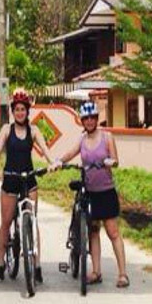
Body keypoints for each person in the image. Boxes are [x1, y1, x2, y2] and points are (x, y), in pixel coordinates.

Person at [52, 101, 129, 288]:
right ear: (82, 121)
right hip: (90, 191)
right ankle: (95, 271)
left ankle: (122, 274)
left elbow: (116, 160)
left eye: (92, 118)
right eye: (85, 118)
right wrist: (58, 161)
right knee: (93, 231)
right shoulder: (82, 139)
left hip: (106, 191)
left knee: (113, 231)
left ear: (96, 119)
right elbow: (71, 152)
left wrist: (109, 162)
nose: (89, 121)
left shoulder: (107, 137)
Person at [0, 88, 55, 283]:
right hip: (10, 179)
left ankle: (36, 266)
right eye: (17, 109)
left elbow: (44, 149)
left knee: (33, 221)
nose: (20, 112)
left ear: (28, 111)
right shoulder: (6, 130)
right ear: (13, 111)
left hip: (29, 179)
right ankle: (1, 263)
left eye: (23, 109)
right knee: (6, 222)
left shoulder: (33, 130)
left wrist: (51, 163)